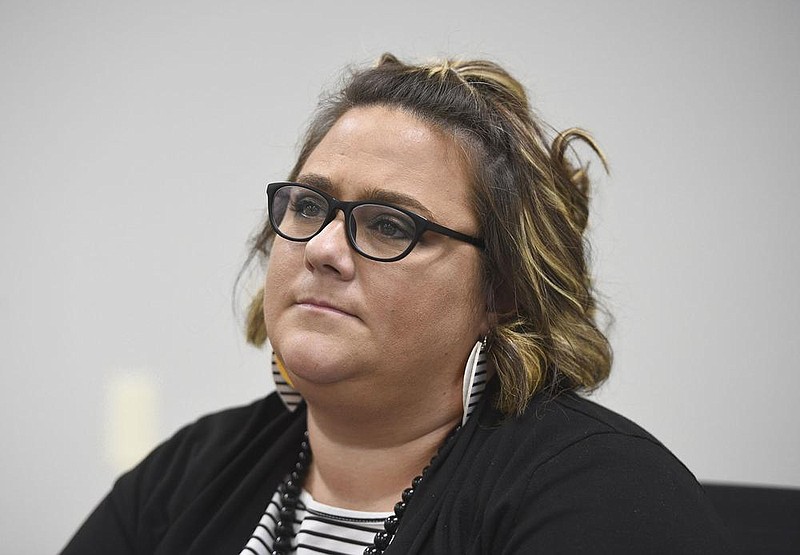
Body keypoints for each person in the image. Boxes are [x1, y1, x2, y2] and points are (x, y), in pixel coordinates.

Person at [62, 53, 733, 554]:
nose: (323, 248)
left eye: (389, 224)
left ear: (501, 288)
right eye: (308, 205)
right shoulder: (188, 471)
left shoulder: (607, 495)